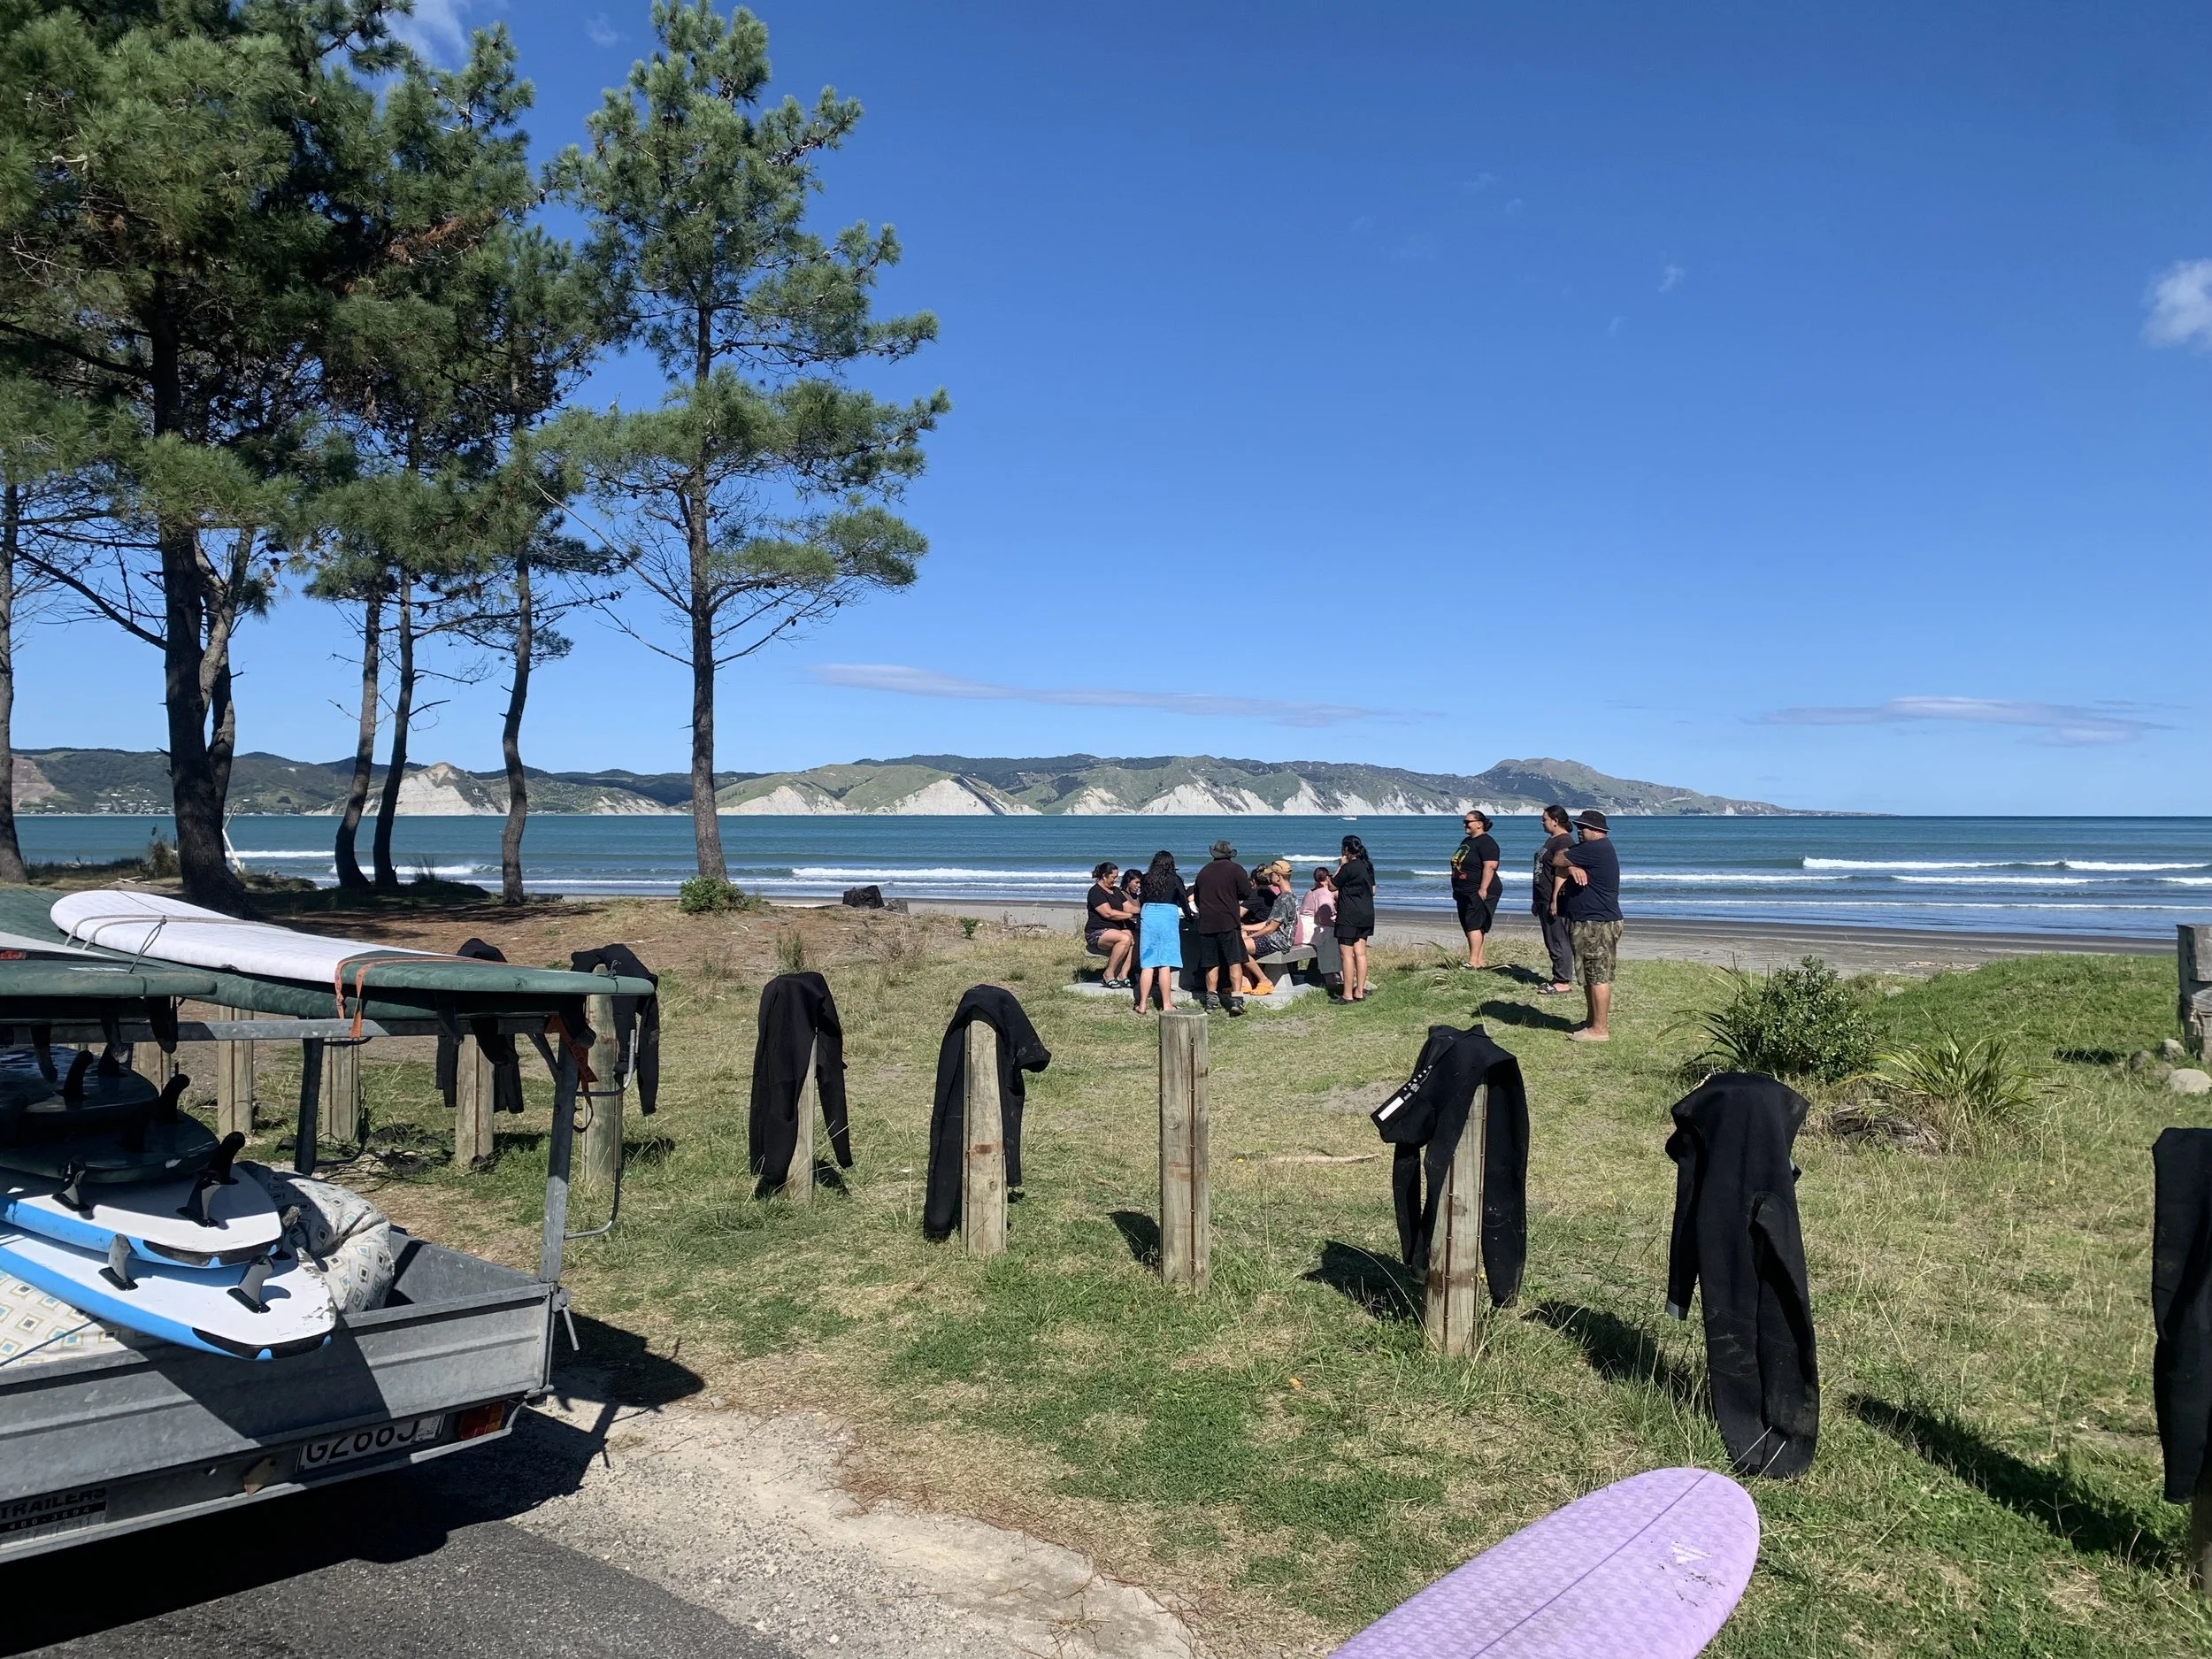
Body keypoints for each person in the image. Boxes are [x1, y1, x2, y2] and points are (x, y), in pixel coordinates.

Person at [1552, 809, 1623, 1041]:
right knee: (1588, 974)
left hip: (1597, 922)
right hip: (1588, 920)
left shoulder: (1596, 848)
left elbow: (1557, 858)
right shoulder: (1587, 850)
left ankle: (1600, 1029)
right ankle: (1591, 1021)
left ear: (1597, 830)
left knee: (1598, 975)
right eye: (1579, 826)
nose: (1579, 831)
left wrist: (1569, 863)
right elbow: (1560, 856)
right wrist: (1573, 866)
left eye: (1584, 827)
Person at [1192, 839, 1254, 1015]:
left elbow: (1197, 899)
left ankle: (1211, 1000)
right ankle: (1237, 1000)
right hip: (1228, 921)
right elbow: (1246, 893)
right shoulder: (1236, 869)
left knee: (1211, 963)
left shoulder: (1203, 872)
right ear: (1229, 855)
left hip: (1207, 923)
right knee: (1234, 961)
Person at [1135, 850, 1188, 1014]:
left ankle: (1142, 1005)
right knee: (1165, 962)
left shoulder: (1146, 878)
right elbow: (1183, 900)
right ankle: (1166, 1004)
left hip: (1149, 914)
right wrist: (1190, 917)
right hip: (1167, 916)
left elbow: (1142, 898)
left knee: (1148, 962)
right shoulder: (1175, 879)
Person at [1449, 810, 1504, 969]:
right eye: (1464, 822)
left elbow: (1491, 866)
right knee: (1470, 925)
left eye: (1468, 822)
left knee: (1473, 924)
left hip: (1479, 890)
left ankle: (1473, 962)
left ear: (1480, 824)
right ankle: (1479, 961)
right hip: (1464, 891)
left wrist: (1483, 888)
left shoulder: (1487, 842)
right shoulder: (1467, 841)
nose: (1465, 825)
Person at [1532, 804, 1575, 994]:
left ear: (1555, 821)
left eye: (1545, 819)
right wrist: (1537, 900)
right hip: (1543, 897)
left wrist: (1554, 899)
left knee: (1558, 939)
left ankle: (1563, 981)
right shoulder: (1553, 840)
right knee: (1551, 939)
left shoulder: (1564, 841)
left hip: (1555, 899)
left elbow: (1563, 871)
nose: (1542, 823)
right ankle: (1557, 977)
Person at [1240, 860, 1299, 991]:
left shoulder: (1285, 899)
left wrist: (1251, 936)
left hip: (1279, 941)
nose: (1270, 877)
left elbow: (1271, 928)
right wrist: (1244, 928)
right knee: (1238, 937)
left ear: (1278, 876)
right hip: (1276, 937)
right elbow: (1269, 923)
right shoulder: (1285, 896)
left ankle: (1264, 980)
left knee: (1239, 946)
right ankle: (1247, 982)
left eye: (1272, 874)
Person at [1332, 834, 1377, 1002]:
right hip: (1366, 913)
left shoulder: (1348, 867)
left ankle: (1347, 994)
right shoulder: (1367, 865)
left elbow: (1332, 886)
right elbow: (1373, 890)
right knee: (1361, 953)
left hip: (1349, 914)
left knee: (1347, 955)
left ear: (1346, 850)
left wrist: (1340, 866)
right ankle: (1359, 991)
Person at [1083, 861, 1137, 988]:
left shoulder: (1116, 891)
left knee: (1132, 936)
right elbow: (1108, 913)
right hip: (1096, 933)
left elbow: (1129, 907)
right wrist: (1130, 915)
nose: (1116, 880)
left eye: (1117, 877)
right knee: (1125, 938)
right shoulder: (1095, 892)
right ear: (1104, 876)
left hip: (1114, 931)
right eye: (1114, 877)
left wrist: (1145, 910)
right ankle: (1108, 973)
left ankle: (1123, 974)